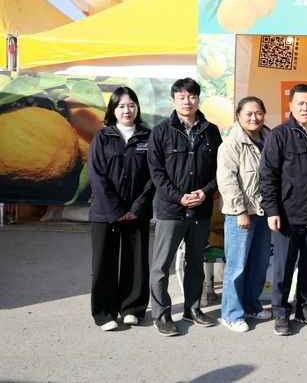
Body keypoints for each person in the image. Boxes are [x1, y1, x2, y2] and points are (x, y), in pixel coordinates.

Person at [260, 84, 307, 336]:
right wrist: (272, 210)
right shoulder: (279, 134)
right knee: (283, 267)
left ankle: (306, 308)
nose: (305, 108)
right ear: (291, 105)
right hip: (287, 213)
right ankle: (281, 312)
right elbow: (268, 175)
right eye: (300, 103)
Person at [147, 78, 222, 336]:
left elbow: (219, 171)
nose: (187, 101)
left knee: (195, 263)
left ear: (198, 99)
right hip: (172, 210)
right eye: (181, 97)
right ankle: (161, 314)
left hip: (201, 209)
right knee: (161, 266)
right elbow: (157, 173)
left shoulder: (211, 131)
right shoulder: (160, 132)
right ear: (173, 100)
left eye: (191, 96)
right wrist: (178, 197)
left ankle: (192, 308)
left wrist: (206, 191)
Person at [88, 86, 155, 331]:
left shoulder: (148, 137)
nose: (127, 110)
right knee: (103, 262)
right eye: (121, 106)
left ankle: (132, 309)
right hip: (105, 213)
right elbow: (97, 176)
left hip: (137, 211)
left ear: (137, 108)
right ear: (113, 110)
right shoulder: (102, 137)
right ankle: (105, 313)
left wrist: (137, 206)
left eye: (131, 105)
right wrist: (116, 210)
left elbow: (154, 176)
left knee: (136, 261)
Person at [216, 96, 273, 333]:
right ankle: (231, 314)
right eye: (248, 113)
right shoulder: (231, 144)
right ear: (238, 116)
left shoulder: (270, 140)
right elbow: (227, 182)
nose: (254, 118)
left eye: (258, 113)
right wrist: (240, 211)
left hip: (264, 212)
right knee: (237, 266)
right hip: (241, 214)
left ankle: (251, 305)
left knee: (259, 264)